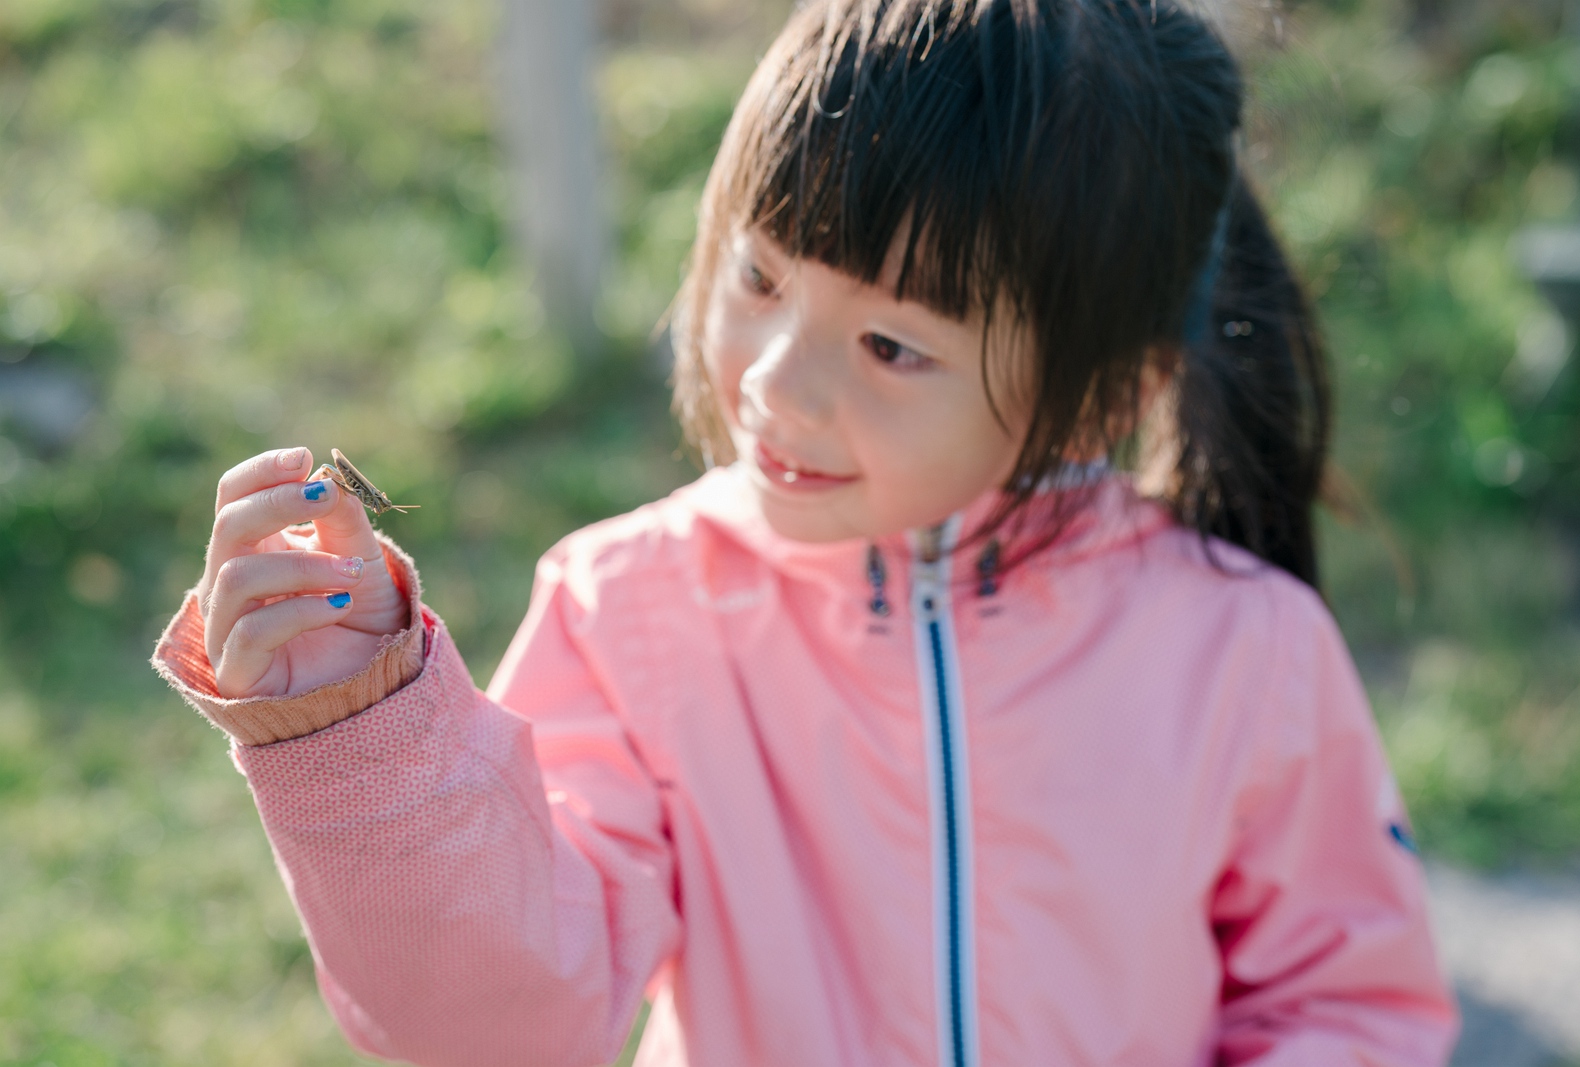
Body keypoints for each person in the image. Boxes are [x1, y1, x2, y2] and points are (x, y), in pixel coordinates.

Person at [152, 0, 1459, 1063]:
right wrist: (357, 733)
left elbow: (1350, 1010)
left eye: (891, 343)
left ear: (1105, 397)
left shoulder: (1243, 648)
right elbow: (494, 1028)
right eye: (759, 277)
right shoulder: (632, 614)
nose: (774, 378)